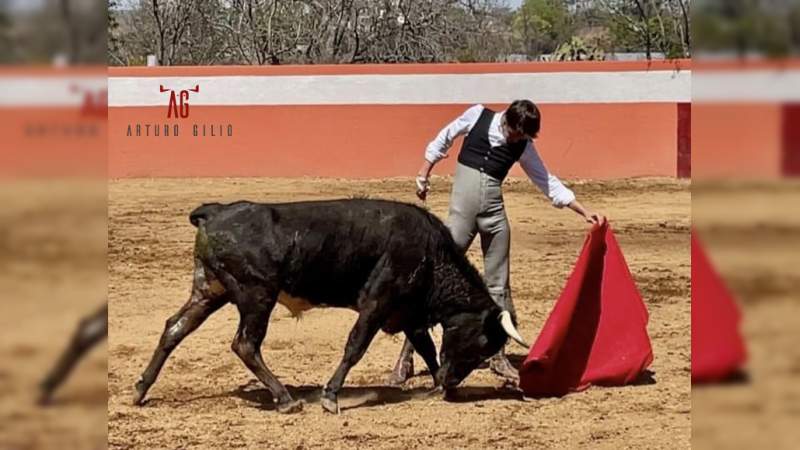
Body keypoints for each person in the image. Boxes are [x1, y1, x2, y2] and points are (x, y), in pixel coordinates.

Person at [388, 100, 605, 384]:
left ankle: (498, 355)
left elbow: (545, 180)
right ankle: (407, 355)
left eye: (523, 137)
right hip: (460, 220)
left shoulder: (523, 144)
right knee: (430, 283)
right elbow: (446, 135)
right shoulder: (478, 116)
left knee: (499, 286)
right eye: (517, 134)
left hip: (494, 219)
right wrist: (423, 173)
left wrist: (582, 210)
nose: (518, 140)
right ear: (508, 122)